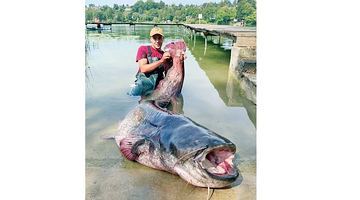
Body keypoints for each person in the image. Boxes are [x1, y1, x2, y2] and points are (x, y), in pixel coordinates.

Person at [128, 27, 171, 96]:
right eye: (154, 38)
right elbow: (143, 69)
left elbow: (167, 74)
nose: (157, 41)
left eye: (159, 38)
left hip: (157, 87)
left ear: (163, 39)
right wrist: (161, 61)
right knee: (132, 98)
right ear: (150, 39)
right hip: (143, 84)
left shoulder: (165, 54)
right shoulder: (143, 49)